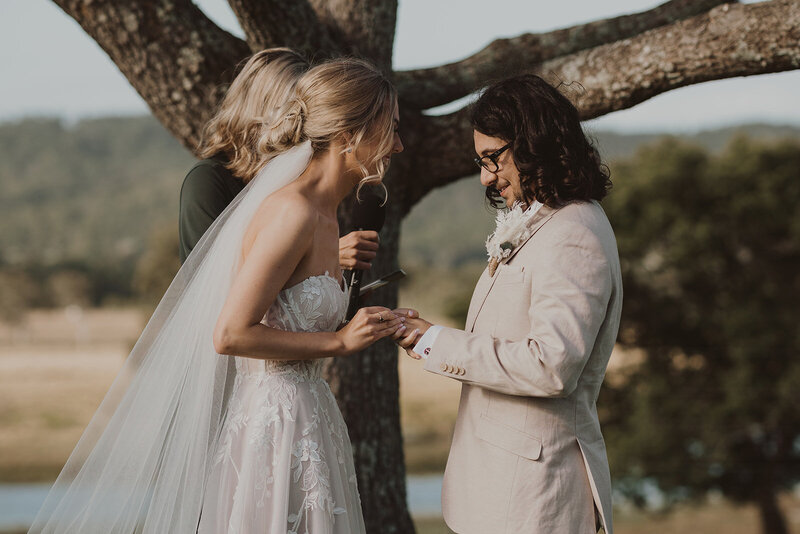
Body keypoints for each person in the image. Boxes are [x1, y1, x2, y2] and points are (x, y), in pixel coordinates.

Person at [30, 57, 404, 534]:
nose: (398, 144)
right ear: (351, 134)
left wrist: (372, 325)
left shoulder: (329, 216)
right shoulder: (292, 212)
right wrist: (339, 343)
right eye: (390, 129)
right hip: (272, 425)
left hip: (311, 417)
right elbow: (229, 333)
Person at [394, 74, 622, 534]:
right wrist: (426, 339)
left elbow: (552, 366)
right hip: (500, 490)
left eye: (492, 158)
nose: (486, 177)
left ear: (534, 142)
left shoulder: (574, 233)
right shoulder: (544, 223)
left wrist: (437, 341)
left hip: (535, 499)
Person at [180, 47, 380, 272]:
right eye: (295, 110)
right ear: (264, 109)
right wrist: (330, 255)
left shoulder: (298, 180)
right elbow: (207, 281)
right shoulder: (208, 180)